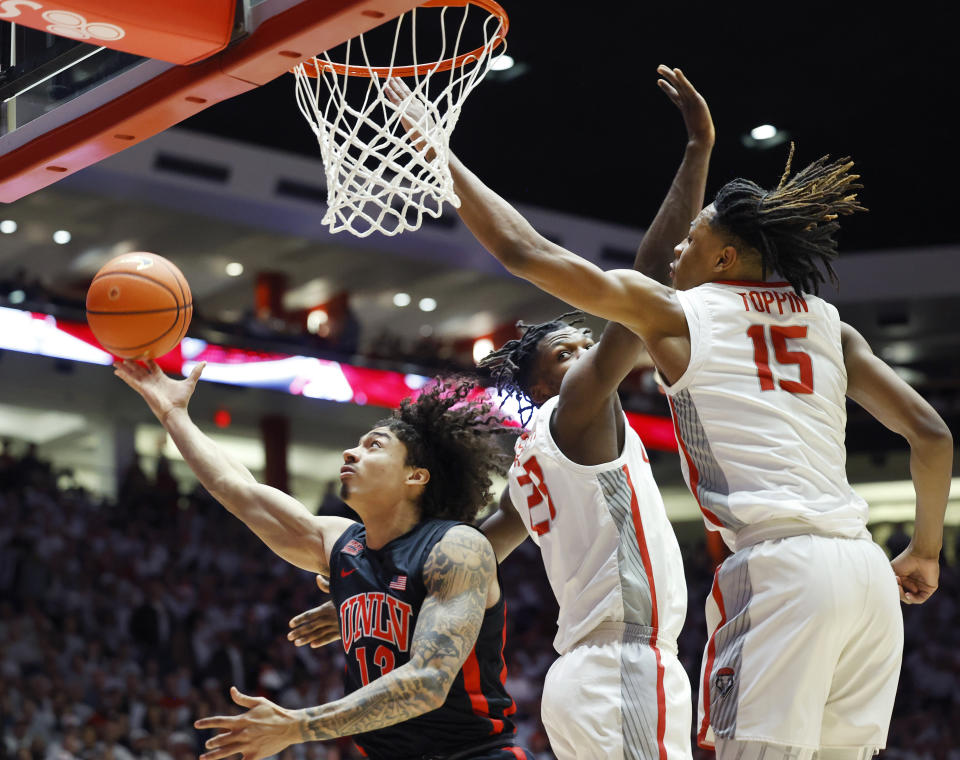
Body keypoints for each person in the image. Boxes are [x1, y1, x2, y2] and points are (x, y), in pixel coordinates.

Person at [398, 80, 954, 760]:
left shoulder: (678, 317)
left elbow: (526, 253)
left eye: (694, 240)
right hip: (867, 576)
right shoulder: (830, 326)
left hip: (781, 573)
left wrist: (437, 152)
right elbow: (931, 436)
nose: (678, 253)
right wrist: (924, 550)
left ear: (724, 257)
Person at [290, 66, 714, 760]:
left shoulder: (532, 463)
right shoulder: (578, 416)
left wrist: (368, 599)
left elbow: (473, 549)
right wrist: (698, 151)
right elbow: (646, 286)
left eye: (587, 343)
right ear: (544, 381)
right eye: (565, 351)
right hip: (623, 668)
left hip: (581, 677)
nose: (584, 353)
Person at [112, 359, 532, 760]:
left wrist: (297, 725)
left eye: (373, 446)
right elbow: (234, 488)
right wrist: (172, 414)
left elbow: (429, 681)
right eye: (355, 445)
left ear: (415, 476)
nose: (351, 453)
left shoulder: (455, 546)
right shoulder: (339, 543)